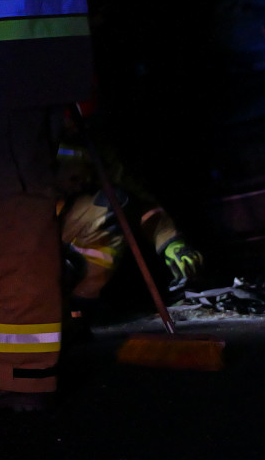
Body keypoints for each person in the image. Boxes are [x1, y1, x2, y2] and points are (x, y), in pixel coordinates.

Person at [0, 0, 93, 413]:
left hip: (5, 73)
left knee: (14, 211)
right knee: (11, 207)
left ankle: (24, 373)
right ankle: (21, 365)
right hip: (19, 70)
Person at [55, 109, 205, 328]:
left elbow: (137, 200)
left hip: (61, 227)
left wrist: (171, 242)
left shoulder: (93, 142)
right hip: (19, 231)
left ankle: (82, 303)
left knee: (115, 201)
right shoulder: (13, 135)